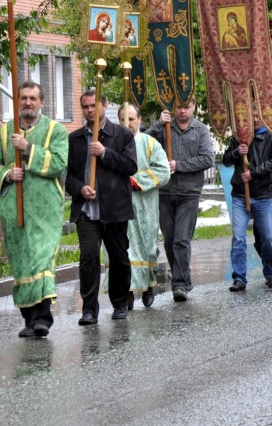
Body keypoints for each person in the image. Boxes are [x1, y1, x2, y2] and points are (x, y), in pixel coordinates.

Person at [0, 80, 68, 338]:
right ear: (17, 102)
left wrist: (28, 149)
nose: (28, 103)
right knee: (22, 264)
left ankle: (42, 319)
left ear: (42, 102)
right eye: (23, 98)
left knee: (42, 260)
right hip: (14, 210)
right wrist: (8, 174)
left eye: (33, 98)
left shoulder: (56, 130)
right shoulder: (3, 132)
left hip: (45, 211)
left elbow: (60, 164)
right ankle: (29, 320)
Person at [66, 91, 138, 325]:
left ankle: (119, 303)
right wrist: (80, 189)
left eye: (93, 105)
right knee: (88, 257)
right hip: (87, 210)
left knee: (118, 257)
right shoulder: (74, 139)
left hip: (114, 209)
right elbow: (67, 175)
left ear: (104, 106)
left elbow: (131, 166)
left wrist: (104, 153)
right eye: (85, 106)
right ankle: (89, 309)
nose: (89, 110)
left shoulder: (122, 135)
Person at [146, 97, 215, 301]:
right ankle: (183, 277)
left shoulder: (201, 130)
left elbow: (207, 158)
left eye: (187, 107)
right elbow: (141, 141)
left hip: (189, 192)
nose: (183, 111)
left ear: (194, 107)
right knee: (169, 240)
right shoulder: (164, 127)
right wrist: (159, 123)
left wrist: (178, 165)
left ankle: (180, 284)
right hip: (165, 191)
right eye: (179, 107)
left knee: (182, 239)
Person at [223, 120, 272, 291]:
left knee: (268, 237)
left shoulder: (271, 136)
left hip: (263, 194)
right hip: (240, 195)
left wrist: (254, 174)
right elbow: (226, 160)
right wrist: (236, 152)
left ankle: (271, 273)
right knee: (239, 238)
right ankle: (239, 278)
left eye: (257, 115)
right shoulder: (238, 136)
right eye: (252, 115)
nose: (255, 119)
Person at [120, 104, 170, 308]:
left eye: (131, 119)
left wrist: (137, 181)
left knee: (147, 247)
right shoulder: (114, 143)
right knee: (124, 248)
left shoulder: (149, 143)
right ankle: (127, 292)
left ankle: (149, 285)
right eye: (124, 119)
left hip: (145, 204)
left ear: (139, 120)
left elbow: (164, 171)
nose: (128, 123)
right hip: (121, 205)